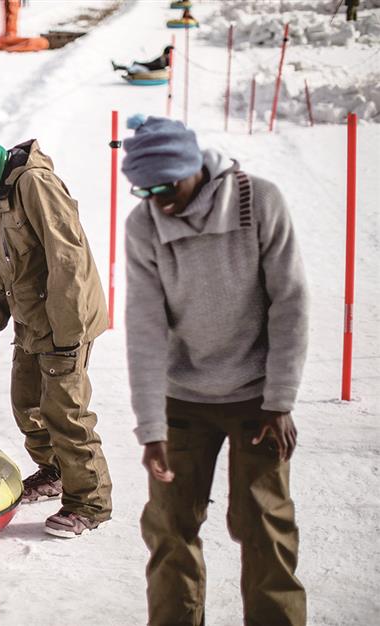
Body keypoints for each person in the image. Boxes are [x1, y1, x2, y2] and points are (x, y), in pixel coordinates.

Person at [121, 115, 308, 625]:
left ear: (193, 168)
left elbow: (289, 302)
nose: (159, 199)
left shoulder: (259, 202)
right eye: (145, 189)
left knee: (264, 526)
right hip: (182, 401)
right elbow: (144, 329)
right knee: (169, 529)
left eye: (167, 185)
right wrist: (151, 429)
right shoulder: (145, 224)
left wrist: (280, 400)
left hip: (256, 400)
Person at [0, 106, 112, 538]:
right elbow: (3, 267)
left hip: (63, 321)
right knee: (27, 405)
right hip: (32, 320)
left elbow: (68, 257)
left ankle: (89, 504)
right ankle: (54, 473)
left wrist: (67, 336)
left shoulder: (33, 183)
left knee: (65, 413)